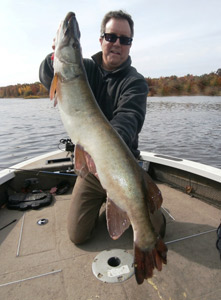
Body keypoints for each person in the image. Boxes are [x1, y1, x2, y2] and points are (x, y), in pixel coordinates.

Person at [39, 10, 166, 244]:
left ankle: (129, 205)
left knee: (156, 230)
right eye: (111, 37)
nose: (117, 43)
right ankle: (112, 204)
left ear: (130, 45)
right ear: (101, 40)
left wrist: (103, 153)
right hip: (89, 170)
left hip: (122, 167)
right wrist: (53, 57)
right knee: (77, 235)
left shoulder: (135, 82)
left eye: (124, 39)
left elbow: (129, 120)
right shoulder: (84, 68)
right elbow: (48, 78)